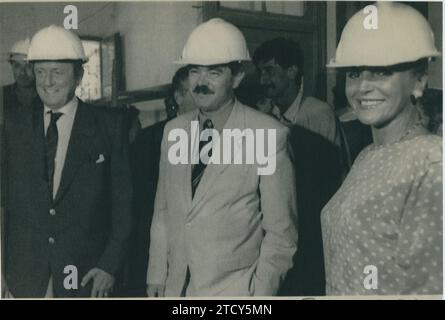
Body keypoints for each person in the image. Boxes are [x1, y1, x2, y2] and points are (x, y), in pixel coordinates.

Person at [146, 18, 297, 297]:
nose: (200, 84)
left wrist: (259, 295)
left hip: (236, 292)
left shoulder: (268, 134)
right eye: (194, 72)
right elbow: (163, 210)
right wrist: (157, 274)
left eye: (214, 73)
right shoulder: (174, 131)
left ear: (237, 77)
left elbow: (281, 234)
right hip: (176, 289)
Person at [2, 25, 132, 298]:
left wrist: (109, 265)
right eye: (40, 72)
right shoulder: (14, 126)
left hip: (86, 276)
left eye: (57, 72)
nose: (47, 82)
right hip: (24, 278)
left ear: (79, 76)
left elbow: (123, 207)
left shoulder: (109, 127)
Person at [322, 2, 442, 295]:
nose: (362, 87)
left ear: (419, 81)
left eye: (380, 73)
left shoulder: (431, 163)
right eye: (354, 73)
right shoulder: (368, 154)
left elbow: (428, 287)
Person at [124, 66, 196, 296]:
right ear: (179, 96)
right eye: (197, 90)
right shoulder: (150, 140)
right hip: (155, 255)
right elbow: (141, 207)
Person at [253, 37, 339, 145]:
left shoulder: (319, 114)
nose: (262, 81)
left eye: (269, 71)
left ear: (291, 72)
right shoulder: (267, 112)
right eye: (260, 72)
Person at [1, 38, 38, 113]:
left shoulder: (48, 97)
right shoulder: (2, 94)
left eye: (28, 66)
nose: (22, 72)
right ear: (12, 66)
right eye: (17, 66)